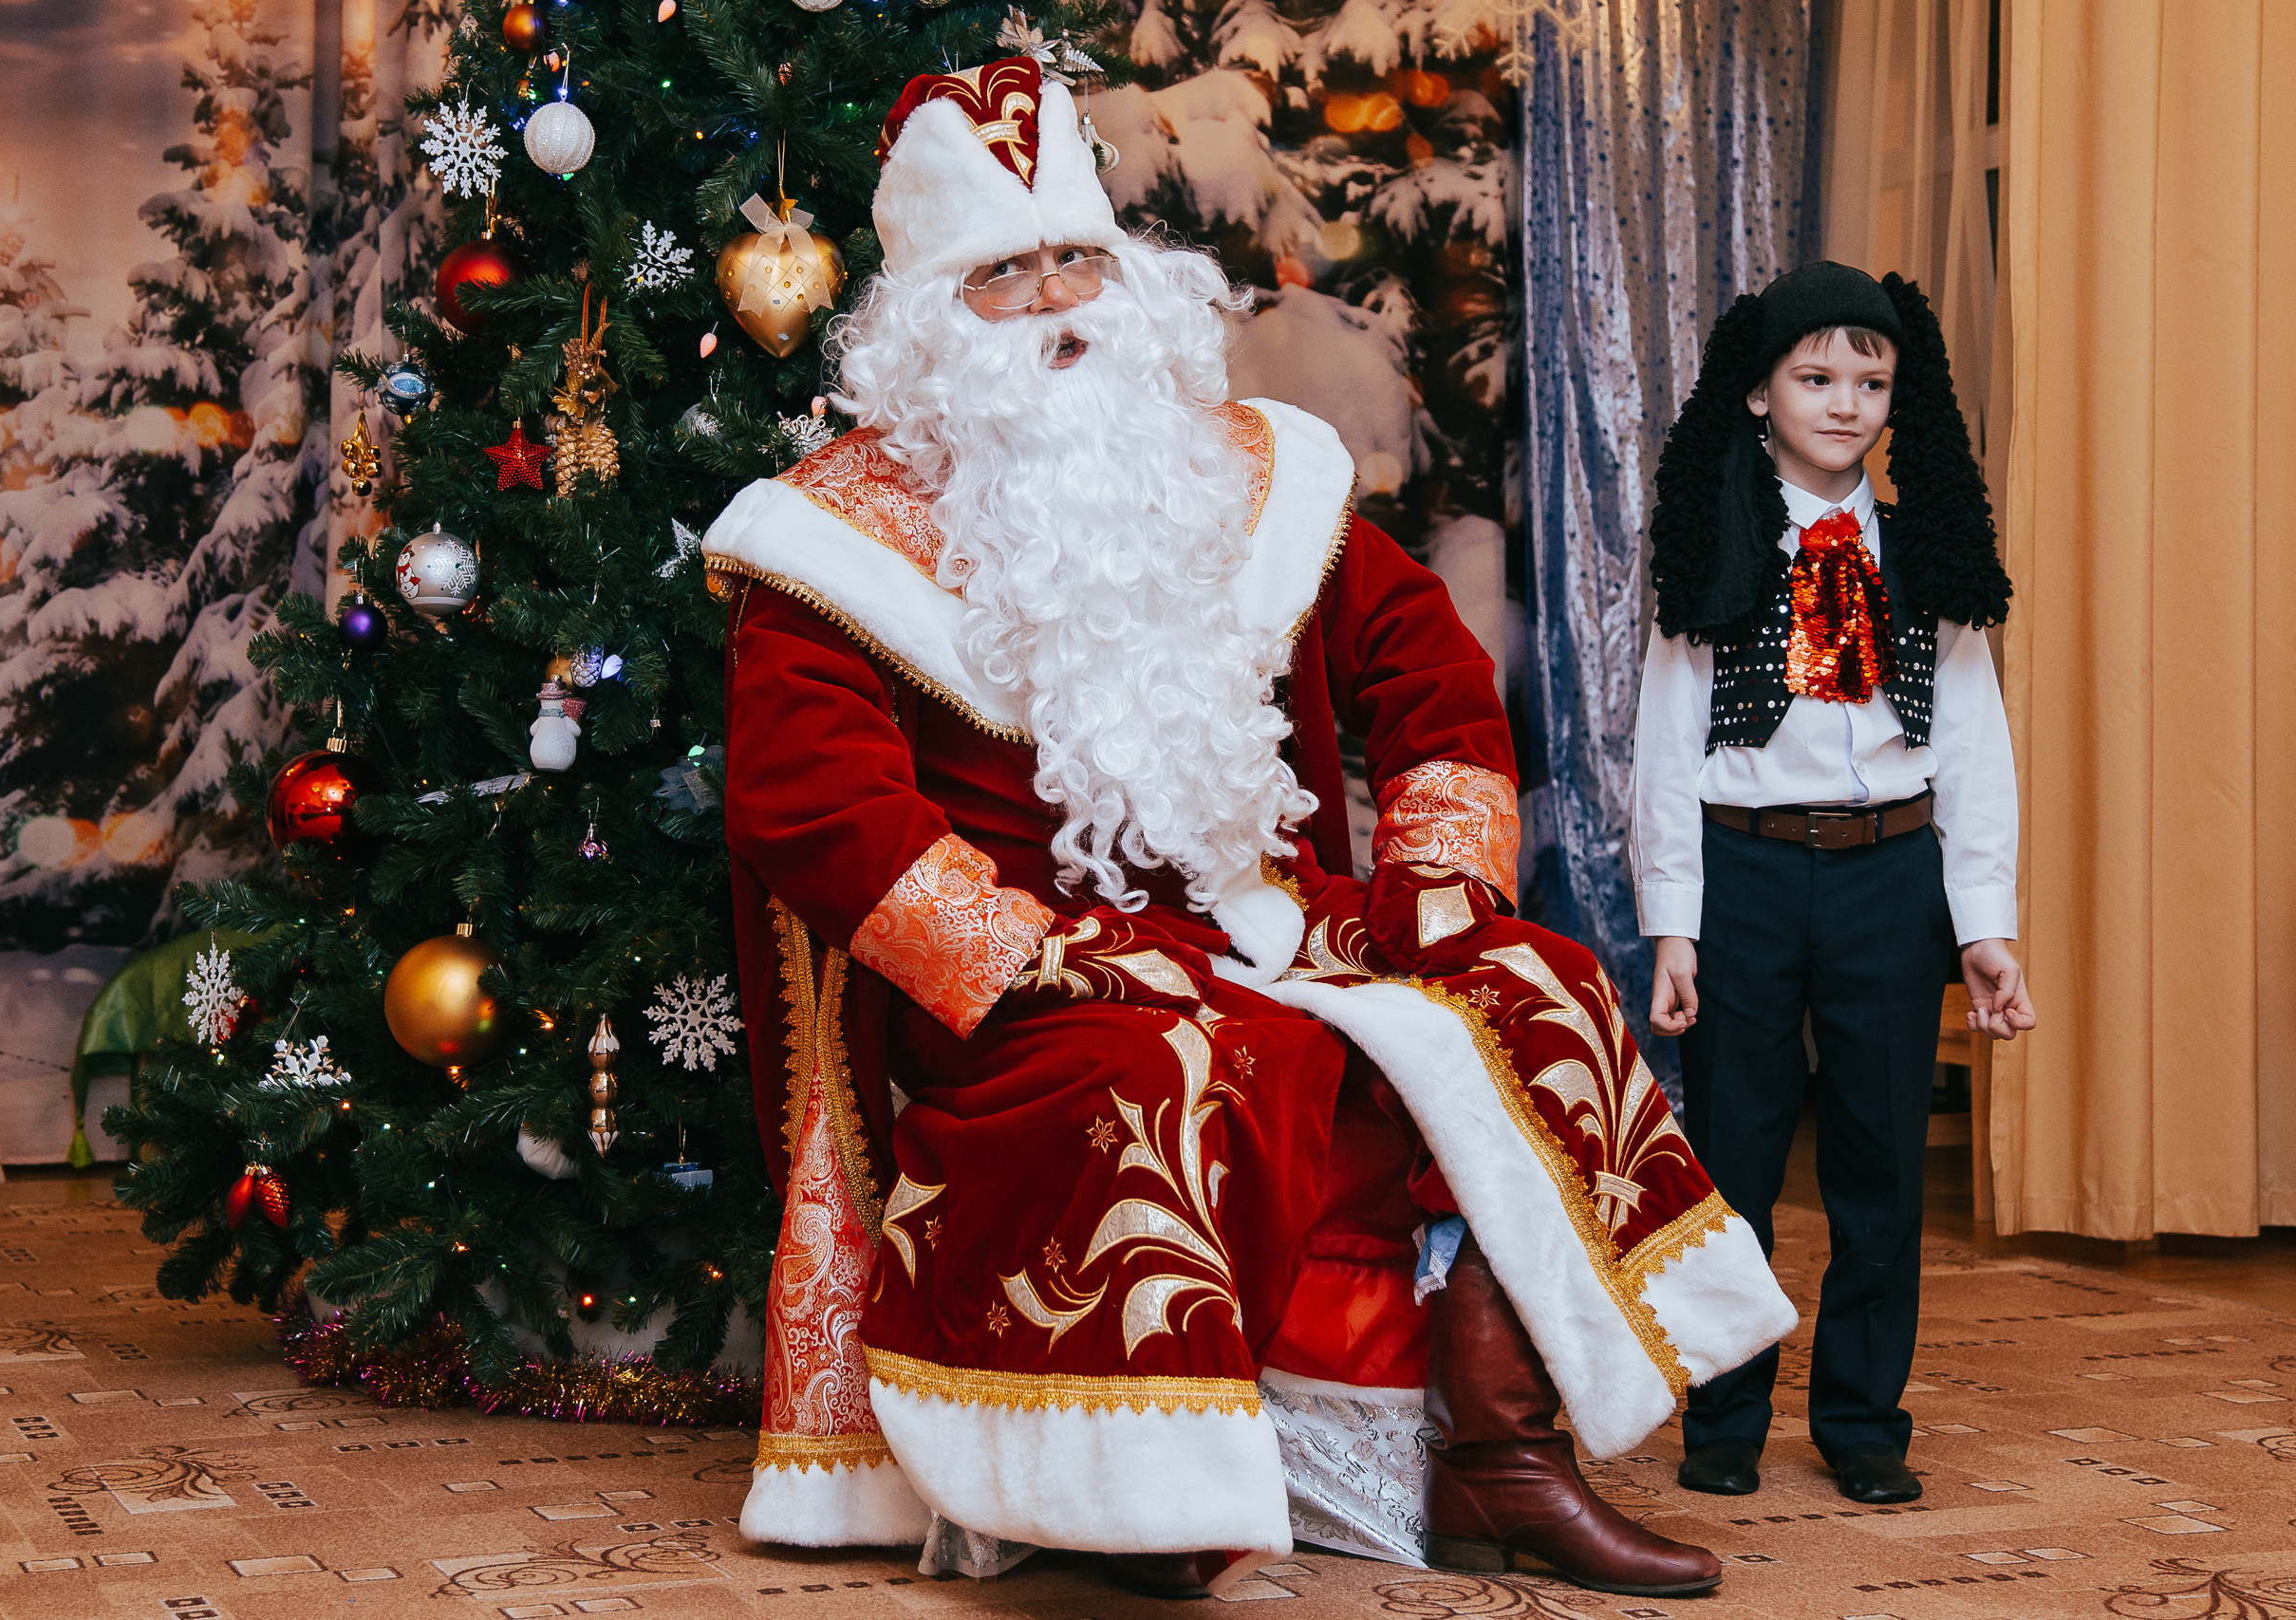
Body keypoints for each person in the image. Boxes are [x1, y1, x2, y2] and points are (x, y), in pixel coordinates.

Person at [709, 56, 1796, 1601]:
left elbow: (1426, 674)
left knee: (1529, 981)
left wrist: (1434, 874)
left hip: (1263, 916)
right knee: (1168, 1063)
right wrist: (1028, 960)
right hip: (1023, 981)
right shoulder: (832, 533)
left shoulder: (1251, 471)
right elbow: (812, 805)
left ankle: (1499, 1458)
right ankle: (1144, 1496)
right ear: (934, 325)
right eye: (1005, 274)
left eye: (1076, 257)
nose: (1058, 303)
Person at [1629, 262, 2035, 1508]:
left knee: (1880, 1164)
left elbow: (1974, 744)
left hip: (1891, 874)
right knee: (1736, 1159)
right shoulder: (1716, 542)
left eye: (1872, 380)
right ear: (1758, 392)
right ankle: (1726, 1417)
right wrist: (1674, 926)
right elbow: (1663, 742)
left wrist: (1985, 925)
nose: (1847, 401)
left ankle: (1864, 1421)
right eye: (1816, 377)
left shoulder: (1927, 551)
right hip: (1747, 873)